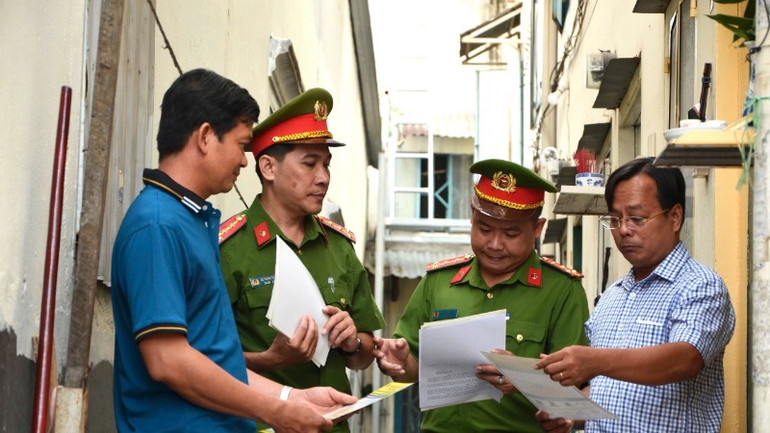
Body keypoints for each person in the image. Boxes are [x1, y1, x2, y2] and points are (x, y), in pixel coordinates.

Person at [110, 69, 356, 433]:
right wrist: (275, 412)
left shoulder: (190, 219)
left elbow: (215, 358)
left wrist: (292, 398)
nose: (245, 161)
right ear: (206, 137)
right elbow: (168, 360)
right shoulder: (158, 225)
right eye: (241, 146)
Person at [373, 159, 590, 433]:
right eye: (484, 229)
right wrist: (399, 361)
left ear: (538, 228)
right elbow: (412, 370)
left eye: (511, 233)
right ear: (471, 218)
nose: (495, 244)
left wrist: (523, 379)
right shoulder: (439, 282)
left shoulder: (561, 290)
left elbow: (576, 388)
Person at [218, 87, 385, 433]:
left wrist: (353, 340)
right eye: (310, 164)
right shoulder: (228, 249)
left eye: (326, 165)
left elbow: (365, 354)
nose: (323, 177)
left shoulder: (339, 247)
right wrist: (271, 359)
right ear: (268, 167)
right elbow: (205, 360)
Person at [535, 157, 736, 433]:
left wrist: (595, 361)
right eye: (615, 219)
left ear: (675, 217)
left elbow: (685, 359)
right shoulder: (613, 296)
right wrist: (570, 414)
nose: (624, 230)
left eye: (637, 218)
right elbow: (608, 389)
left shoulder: (700, 285)